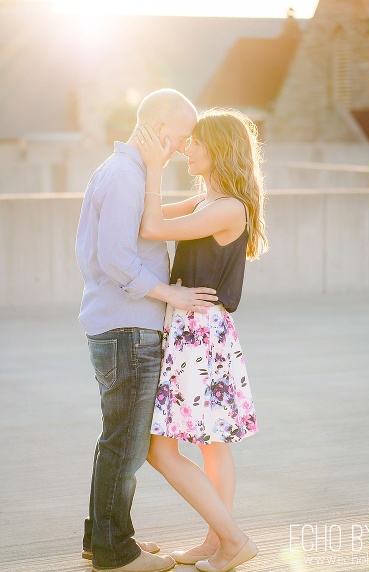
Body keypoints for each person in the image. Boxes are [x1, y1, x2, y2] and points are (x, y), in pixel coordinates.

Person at [76, 88, 219, 572]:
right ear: (159, 130)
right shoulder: (125, 176)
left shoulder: (126, 172)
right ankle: (116, 554)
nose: (184, 147)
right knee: (126, 446)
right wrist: (171, 295)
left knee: (114, 440)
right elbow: (117, 258)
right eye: (181, 137)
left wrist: (201, 202)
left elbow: (141, 228)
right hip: (128, 329)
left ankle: (104, 537)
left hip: (118, 326)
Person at [134, 106, 266, 572]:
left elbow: (152, 227)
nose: (186, 148)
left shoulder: (229, 207)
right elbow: (143, 214)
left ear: (219, 149)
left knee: (163, 449)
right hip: (194, 330)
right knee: (212, 444)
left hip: (200, 334)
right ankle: (217, 541)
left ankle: (230, 539)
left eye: (195, 142)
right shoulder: (205, 202)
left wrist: (154, 165)